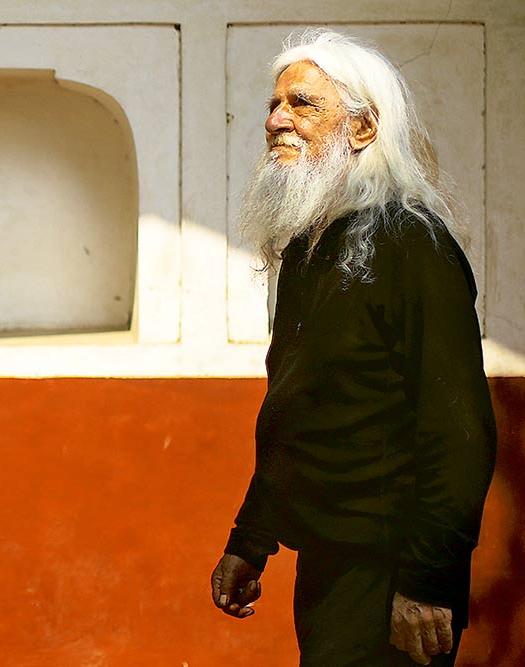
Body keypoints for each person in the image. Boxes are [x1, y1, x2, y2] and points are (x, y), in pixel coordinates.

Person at [210, 30, 497, 667]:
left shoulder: (410, 244)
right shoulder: (309, 246)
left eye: (303, 105)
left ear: (363, 129)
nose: (276, 120)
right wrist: (251, 539)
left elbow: (459, 431)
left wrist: (423, 584)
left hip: (397, 573)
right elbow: (300, 411)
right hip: (329, 565)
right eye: (274, 103)